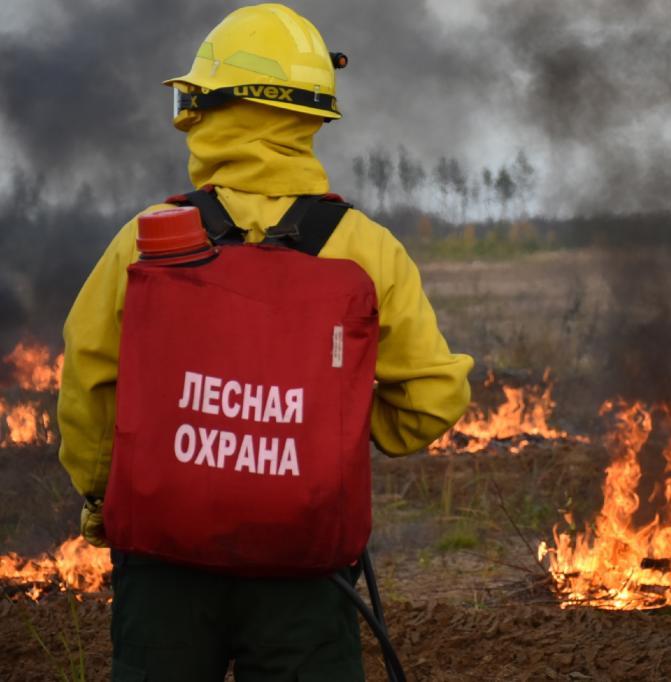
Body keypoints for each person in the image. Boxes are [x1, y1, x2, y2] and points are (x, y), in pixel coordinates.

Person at [56, 4, 473, 680]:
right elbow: (433, 397)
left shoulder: (145, 240)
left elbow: (90, 382)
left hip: (164, 562)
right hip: (304, 569)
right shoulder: (366, 249)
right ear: (312, 116)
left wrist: (105, 500)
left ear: (203, 107)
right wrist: (323, 426)